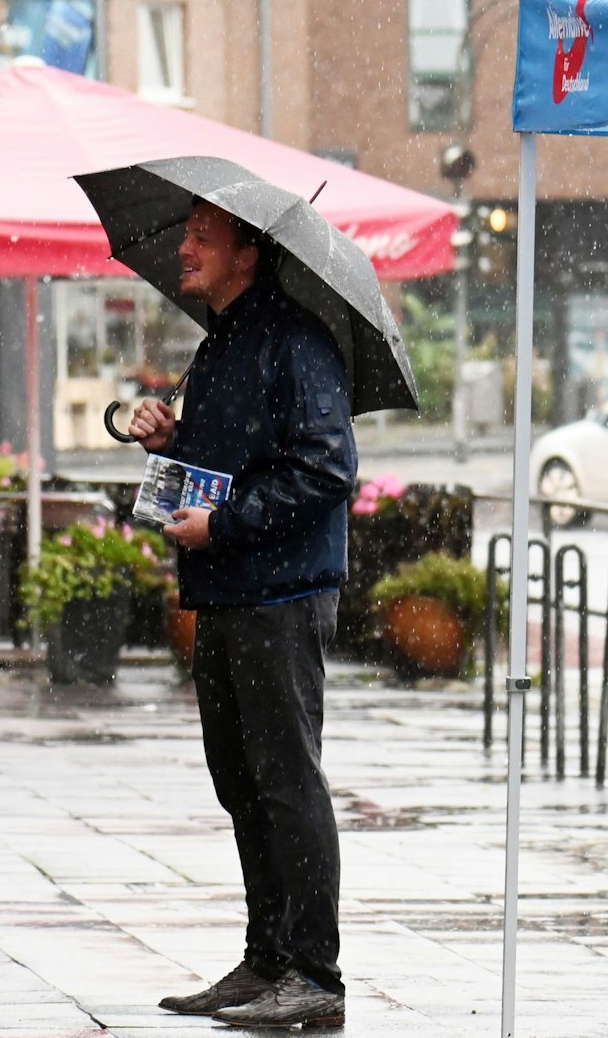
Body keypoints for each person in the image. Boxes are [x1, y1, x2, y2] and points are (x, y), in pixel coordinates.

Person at [130, 200, 357, 1029]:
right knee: (240, 779)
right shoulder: (219, 341)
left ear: (248, 252)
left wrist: (223, 524)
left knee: (287, 779)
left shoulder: (299, 341)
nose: (183, 247)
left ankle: (315, 973)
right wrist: (167, 441)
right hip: (226, 592)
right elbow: (228, 458)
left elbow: (326, 469)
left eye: (200, 236)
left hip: (283, 593)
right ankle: (266, 959)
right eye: (184, 230)